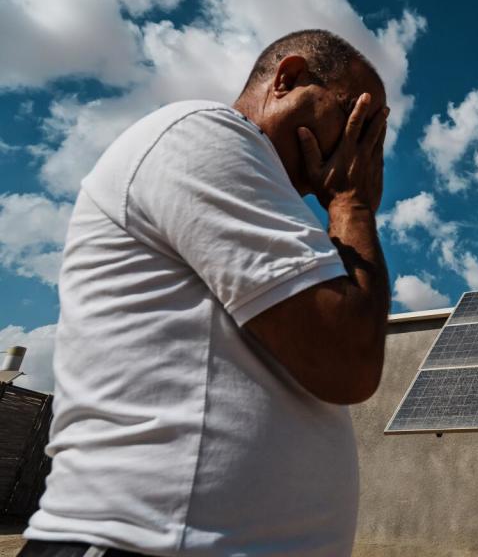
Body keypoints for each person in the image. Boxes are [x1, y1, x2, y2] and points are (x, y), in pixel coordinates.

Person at [20, 30, 390, 557]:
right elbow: (348, 360)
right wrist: (352, 206)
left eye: (373, 133)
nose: (359, 147)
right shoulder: (203, 134)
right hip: (137, 544)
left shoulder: (267, 205)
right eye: (354, 117)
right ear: (287, 79)